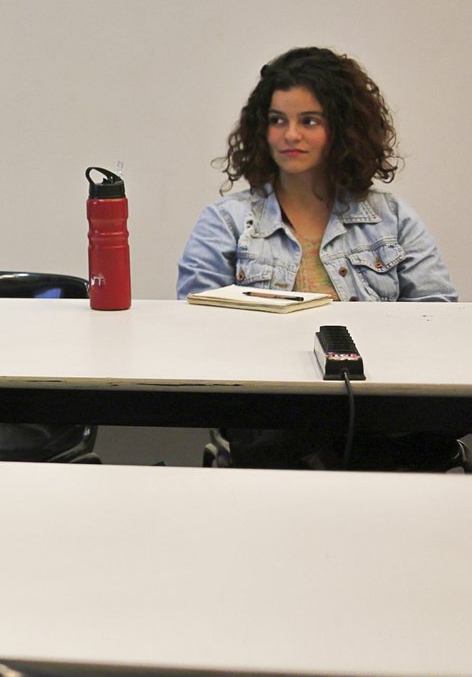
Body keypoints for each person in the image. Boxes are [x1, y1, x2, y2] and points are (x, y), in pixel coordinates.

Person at [176, 46, 459, 470]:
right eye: (277, 121)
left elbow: (436, 318)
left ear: (342, 129)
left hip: (382, 419)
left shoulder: (392, 217)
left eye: (309, 121)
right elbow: (194, 330)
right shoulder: (227, 222)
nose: (290, 135)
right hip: (271, 420)